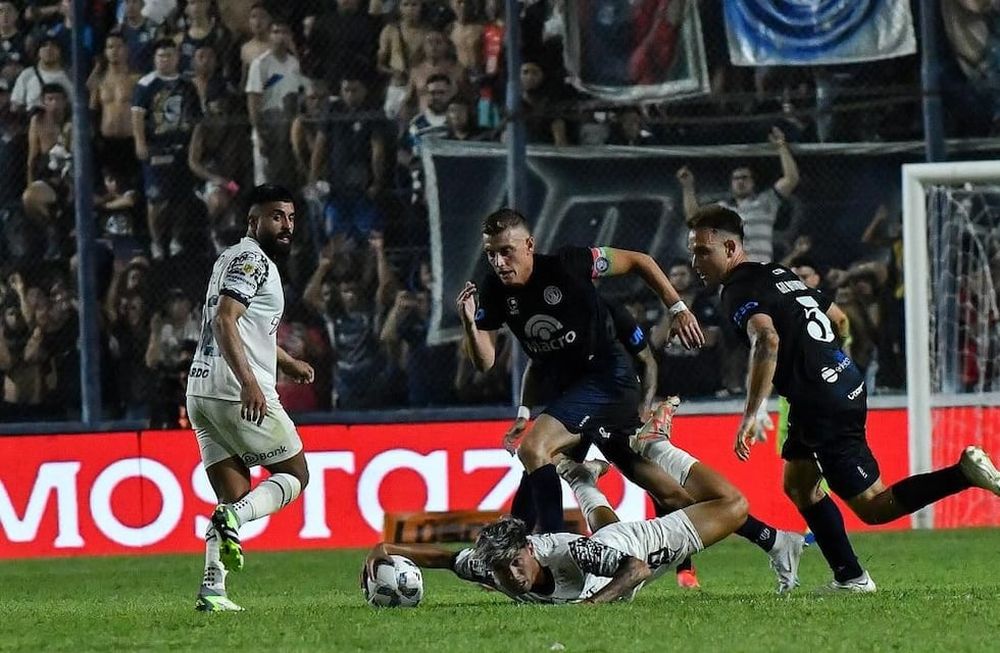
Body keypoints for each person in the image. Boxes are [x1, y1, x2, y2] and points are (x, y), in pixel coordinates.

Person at [687, 204, 1000, 593]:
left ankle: (962, 473)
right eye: (693, 251)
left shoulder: (737, 290)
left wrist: (752, 413)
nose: (695, 260)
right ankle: (850, 576)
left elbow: (767, 339)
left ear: (731, 247)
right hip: (832, 386)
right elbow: (838, 319)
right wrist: (830, 362)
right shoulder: (778, 273)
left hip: (821, 401)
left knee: (873, 505)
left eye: (703, 251)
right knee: (800, 484)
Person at [457, 208, 705, 537]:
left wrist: (678, 309)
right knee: (664, 490)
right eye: (491, 254)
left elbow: (639, 260)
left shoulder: (569, 264)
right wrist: (469, 324)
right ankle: (757, 532)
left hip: (608, 380)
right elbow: (485, 363)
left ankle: (551, 549)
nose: (499, 262)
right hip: (574, 394)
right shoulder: (493, 290)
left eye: (506, 251)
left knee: (534, 450)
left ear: (529, 244)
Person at [364, 455, 748, 604]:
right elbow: (447, 560)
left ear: (529, 550)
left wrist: (593, 606)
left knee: (734, 506)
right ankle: (583, 480)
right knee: (606, 539)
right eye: (501, 571)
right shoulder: (492, 565)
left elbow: (635, 569)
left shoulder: (572, 553)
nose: (512, 577)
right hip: (605, 552)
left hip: (637, 550)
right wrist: (386, 548)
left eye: (516, 563)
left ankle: (658, 447)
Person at [185, 184, 316, 612]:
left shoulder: (229, 257)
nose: (286, 226)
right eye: (276, 216)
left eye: (291, 218)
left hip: (201, 392)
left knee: (233, 494)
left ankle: (213, 590)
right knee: (296, 473)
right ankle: (236, 520)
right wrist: (250, 383)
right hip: (232, 390)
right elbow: (225, 320)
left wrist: (286, 361)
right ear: (253, 221)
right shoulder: (252, 260)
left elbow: (243, 326)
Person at [678, 127, 800, 264]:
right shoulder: (722, 208)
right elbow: (693, 218)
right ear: (731, 183)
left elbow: (791, 179)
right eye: (736, 178)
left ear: (753, 182)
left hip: (759, 270)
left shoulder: (766, 201)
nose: (740, 181)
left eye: (745, 178)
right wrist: (687, 187)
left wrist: (781, 145)